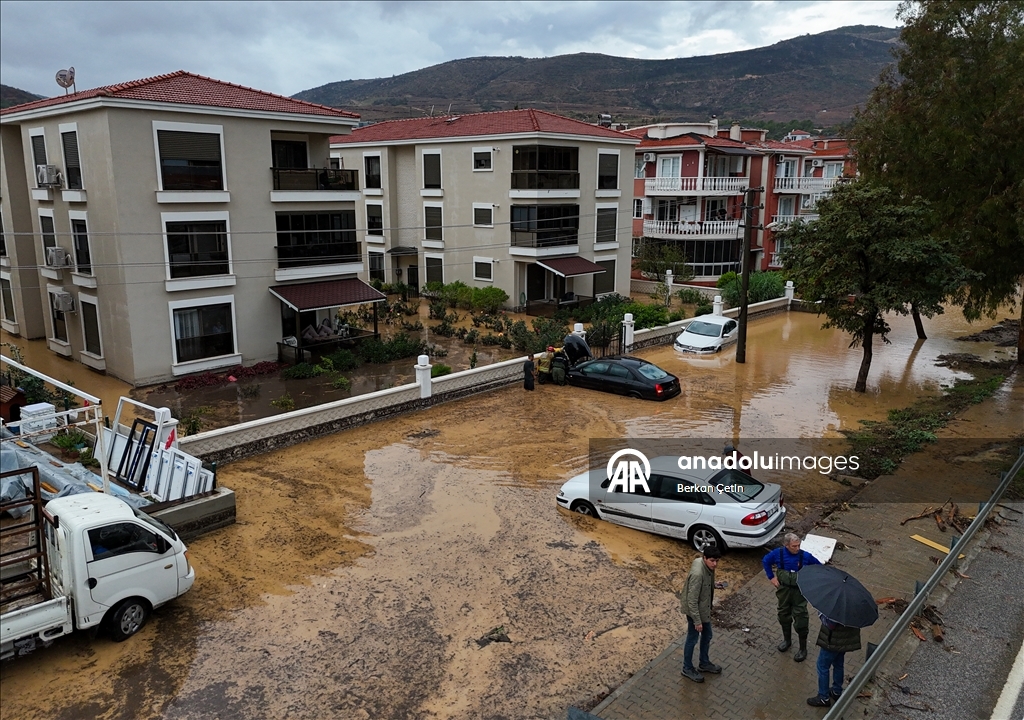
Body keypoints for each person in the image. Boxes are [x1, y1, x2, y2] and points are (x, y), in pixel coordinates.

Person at [763, 533, 822, 662]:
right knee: (783, 614)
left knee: (801, 618)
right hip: (783, 591)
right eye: (794, 546)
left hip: (799, 592)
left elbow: (819, 567)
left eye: (799, 545)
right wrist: (771, 577)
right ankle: (787, 640)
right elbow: (766, 561)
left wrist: (813, 582)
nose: (797, 548)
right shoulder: (777, 554)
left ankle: (802, 649)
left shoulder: (805, 556)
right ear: (786, 545)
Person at [681, 545, 723, 683]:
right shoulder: (698, 574)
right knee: (692, 639)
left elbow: (705, 582)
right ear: (705, 558)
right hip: (696, 612)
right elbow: (691, 600)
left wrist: (714, 585)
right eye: (712, 560)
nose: (715, 564)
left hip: (703, 609)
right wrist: (697, 621)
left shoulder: (704, 565)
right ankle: (687, 668)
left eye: (717, 561)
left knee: (707, 635)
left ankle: (704, 663)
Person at [807, 612, 861, 707]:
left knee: (822, 666)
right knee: (838, 664)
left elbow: (830, 624)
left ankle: (823, 697)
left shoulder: (837, 606)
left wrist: (821, 614)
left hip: (833, 640)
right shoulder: (853, 604)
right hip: (845, 640)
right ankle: (836, 691)